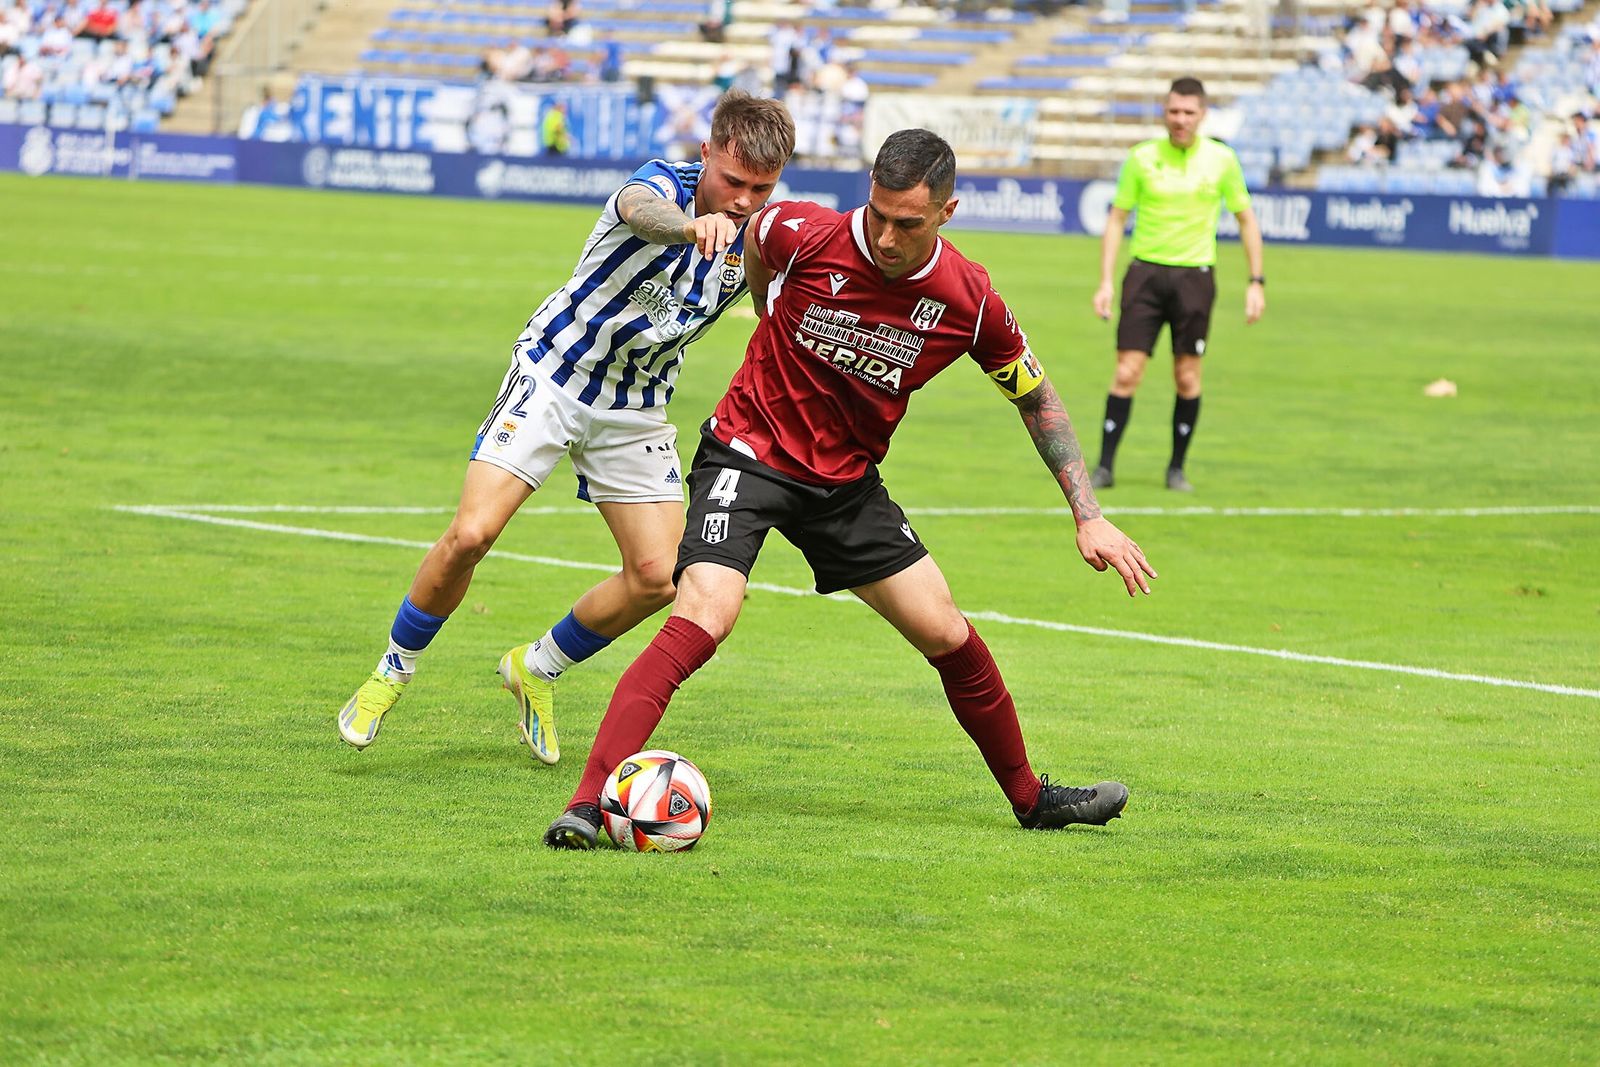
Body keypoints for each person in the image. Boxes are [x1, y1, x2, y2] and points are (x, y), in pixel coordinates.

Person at [543, 128, 1157, 850]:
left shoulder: (969, 299)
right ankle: (586, 804)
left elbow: (1036, 396)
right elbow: (759, 258)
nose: (888, 237)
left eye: (910, 223)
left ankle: (1032, 799)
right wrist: (771, 319)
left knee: (945, 629)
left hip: (845, 482)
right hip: (748, 451)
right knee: (707, 612)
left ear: (948, 212)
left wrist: (1089, 516)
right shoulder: (798, 229)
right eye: (879, 213)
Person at [336, 90, 796, 758]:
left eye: (761, 187)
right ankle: (392, 671)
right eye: (732, 182)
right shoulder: (661, 187)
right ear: (706, 155)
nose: (744, 200)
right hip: (555, 373)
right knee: (471, 533)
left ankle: (536, 667)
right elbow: (643, 211)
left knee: (659, 577)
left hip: (635, 405)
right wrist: (692, 226)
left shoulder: (760, 233)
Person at [1089, 77, 1265, 493]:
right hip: (1145, 274)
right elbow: (1116, 219)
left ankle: (1176, 469)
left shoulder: (1222, 161)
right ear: (1164, 113)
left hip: (1195, 278)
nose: (1180, 119)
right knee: (1126, 372)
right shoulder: (1141, 158)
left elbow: (1246, 219)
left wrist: (1256, 281)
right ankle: (1105, 466)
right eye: (1173, 111)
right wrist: (1105, 282)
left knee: (1187, 376)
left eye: (1188, 112)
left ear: (1202, 115)